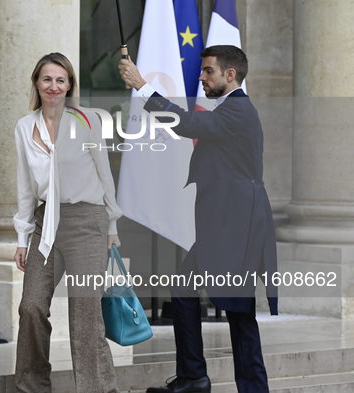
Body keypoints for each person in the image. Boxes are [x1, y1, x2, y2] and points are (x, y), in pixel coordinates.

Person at [119, 45, 278, 393]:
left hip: (237, 230)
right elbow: (190, 128)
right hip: (226, 228)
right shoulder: (231, 110)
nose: (201, 77)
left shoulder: (238, 109)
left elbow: (188, 123)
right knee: (186, 289)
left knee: (238, 311)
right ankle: (193, 377)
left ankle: (242, 386)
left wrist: (143, 86)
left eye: (208, 71)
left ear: (230, 75)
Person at [13, 52, 123, 393]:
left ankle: (99, 389)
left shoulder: (87, 121)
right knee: (31, 305)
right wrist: (22, 237)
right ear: (36, 83)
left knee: (85, 314)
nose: (54, 86)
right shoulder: (24, 126)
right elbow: (25, 186)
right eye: (47, 79)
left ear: (70, 85)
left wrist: (112, 227)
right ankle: (31, 386)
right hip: (47, 222)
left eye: (61, 80)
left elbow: (105, 177)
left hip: (87, 221)